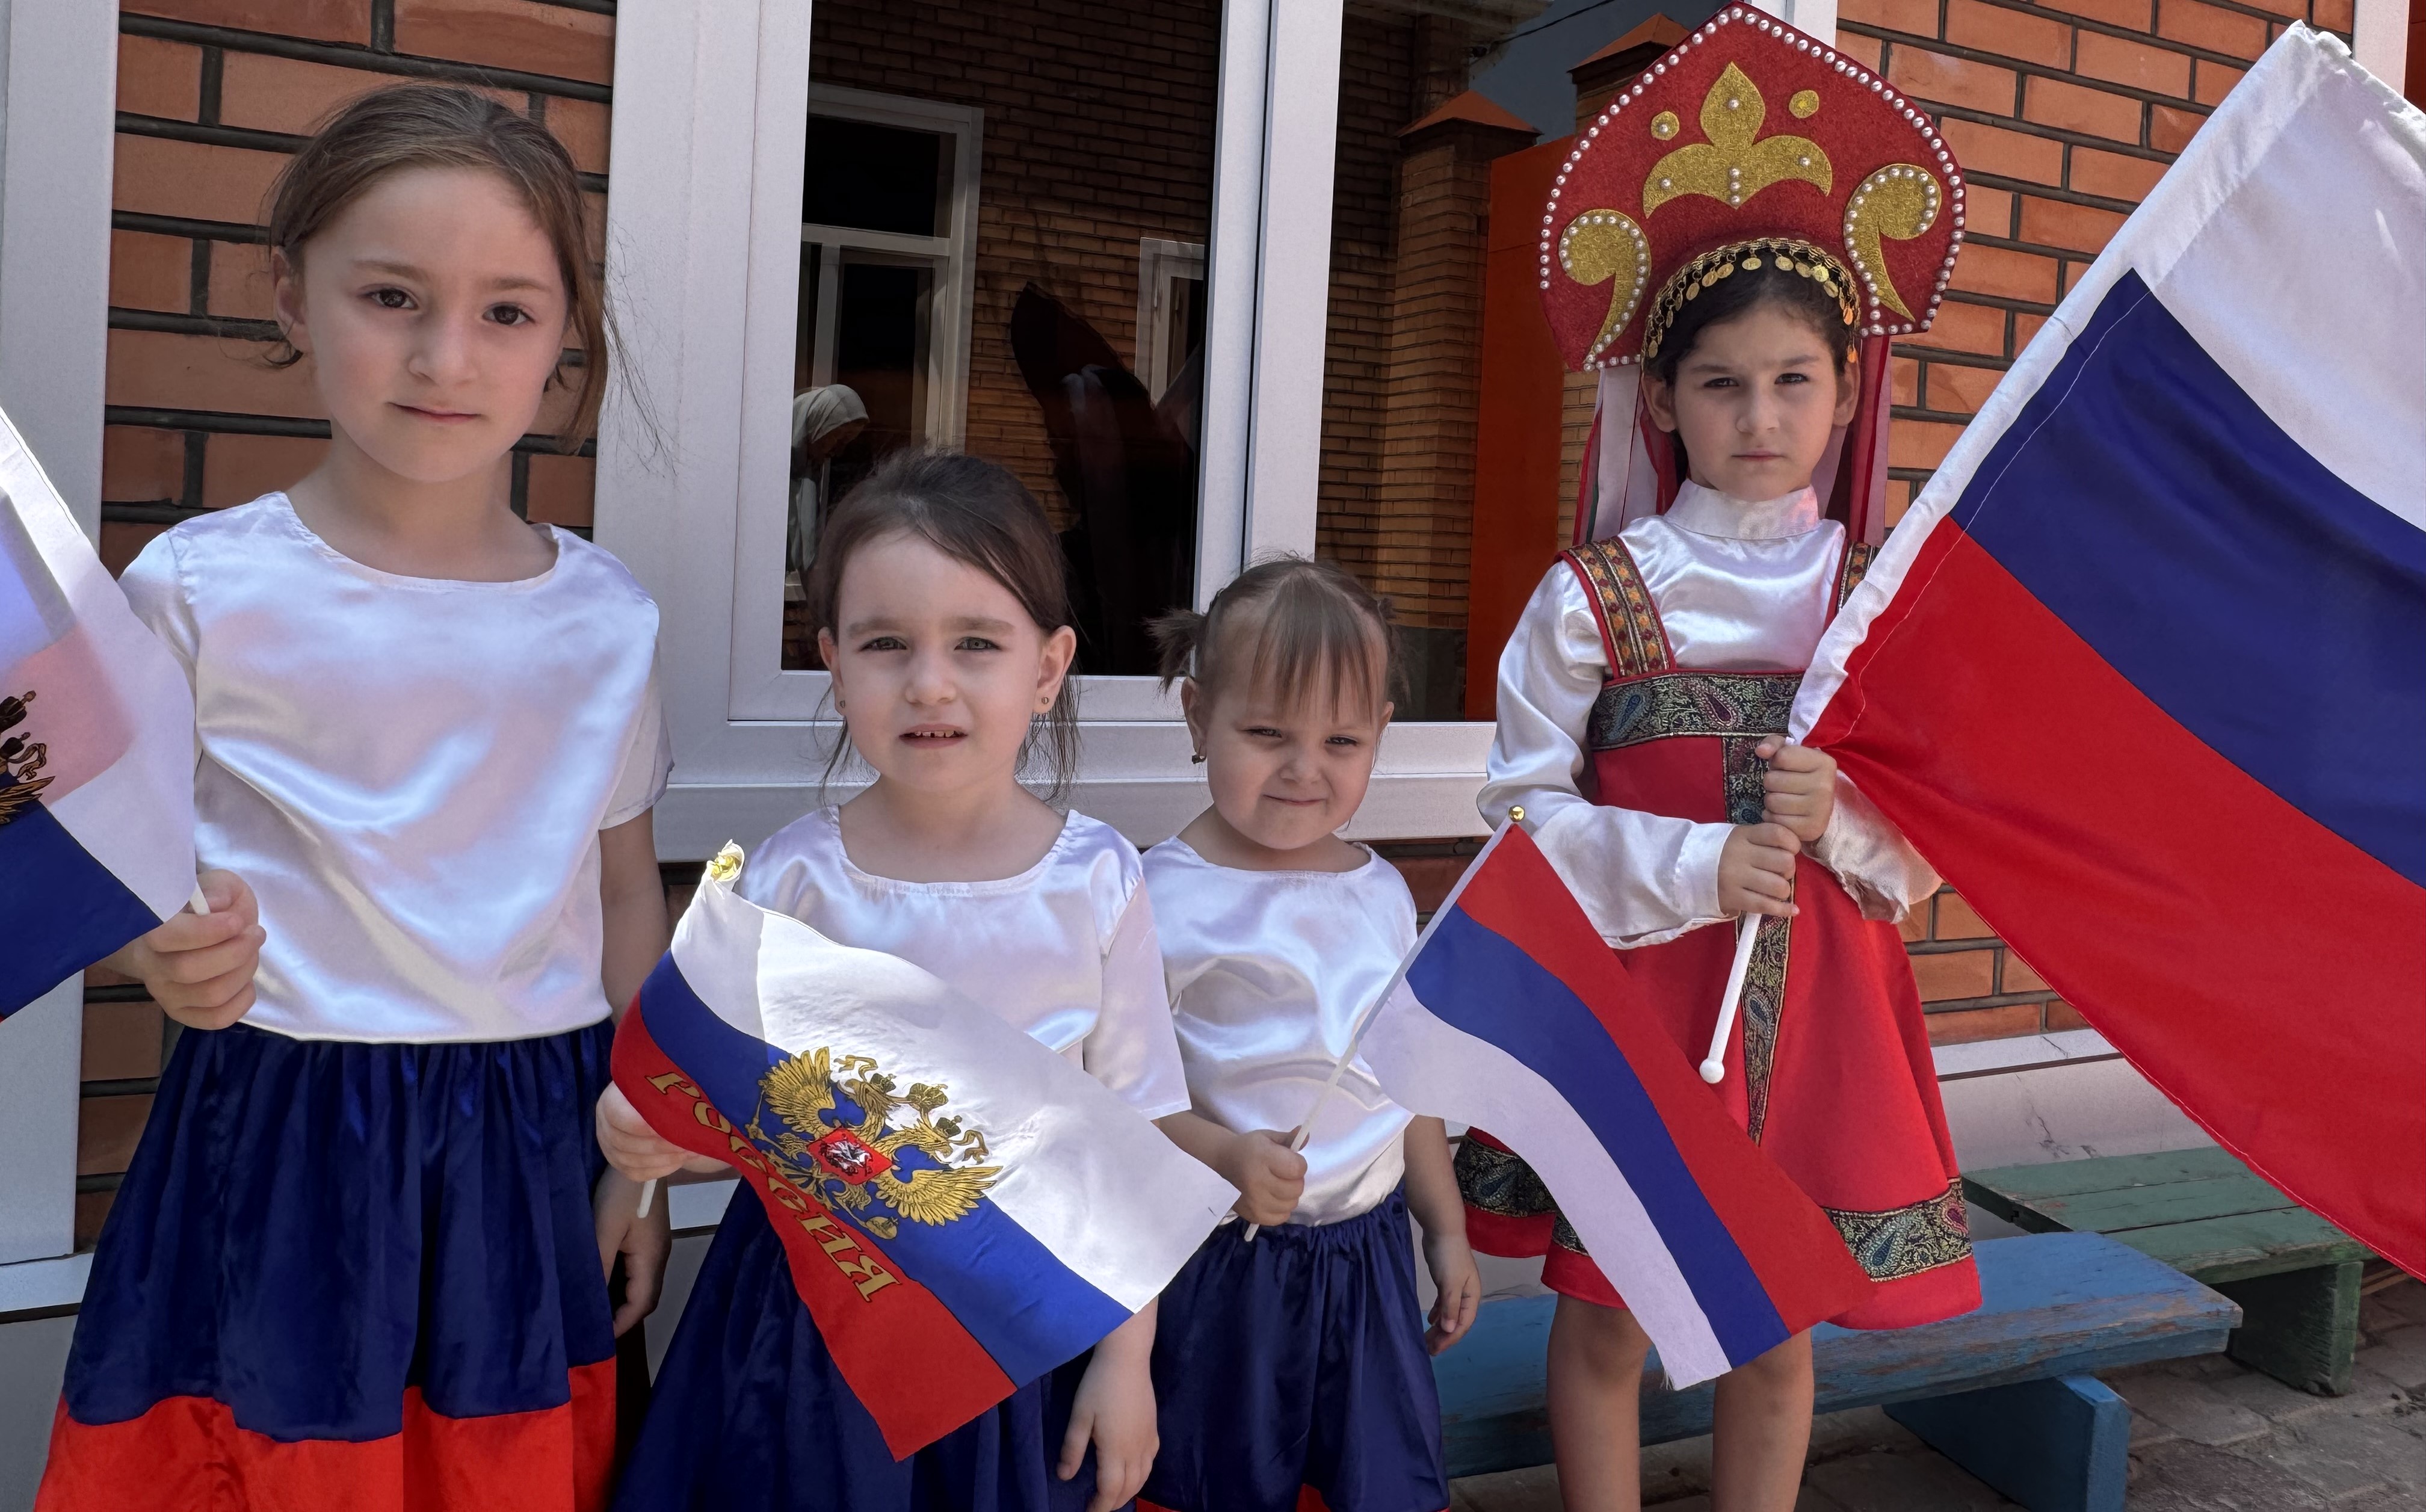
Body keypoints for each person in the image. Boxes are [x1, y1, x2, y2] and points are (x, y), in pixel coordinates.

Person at [39, 85, 670, 1511]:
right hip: (277, 1137)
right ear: (293, 294)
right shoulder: (198, 588)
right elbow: (94, 866)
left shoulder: (608, 621)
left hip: (531, 1150)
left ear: (564, 337)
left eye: (508, 311)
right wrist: (152, 951)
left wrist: (638, 1165)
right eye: (393, 296)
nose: (447, 356)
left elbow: (625, 886)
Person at [1464, 16, 1984, 1511]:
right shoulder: (1595, 595)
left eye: (1793, 381)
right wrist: (1696, 861)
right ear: (1661, 399)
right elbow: (1521, 814)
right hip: (1637, 1002)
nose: (1760, 419)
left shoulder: (1874, 606)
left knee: (1775, 1319)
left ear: (1848, 390)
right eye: (1721, 385)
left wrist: (1848, 814)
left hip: (1818, 1014)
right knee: (1607, 1312)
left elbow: (1934, 840)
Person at [599, 448, 1190, 1512]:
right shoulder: (787, 877)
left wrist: (1127, 1356)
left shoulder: (1100, 880)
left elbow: (1133, 1145)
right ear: (833, 661)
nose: (929, 682)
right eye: (885, 643)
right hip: (807, 1330)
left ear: (1049, 665)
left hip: (1013, 1331)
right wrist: (648, 1144)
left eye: (976, 642)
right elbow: (719, 1119)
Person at [1136, 558, 1480, 1512]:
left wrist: (1445, 1228)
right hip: (1217, 1261)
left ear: (1380, 735)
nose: (1304, 768)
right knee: (1217, 1480)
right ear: (1198, 716)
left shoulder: (1382, 891)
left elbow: (1406, 1081)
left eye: (1341, 740)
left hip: (1366, 1257)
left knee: (1371, 1479)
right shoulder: (1156, 895)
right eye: (1266, 734)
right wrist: (1224, 1154)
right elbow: (1118, 1099)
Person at [788, 383, 868, 588]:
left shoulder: (808, 474)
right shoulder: (771, 471)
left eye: (846, 444)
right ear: (817, 425)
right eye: (839, 439)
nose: (839, 452)